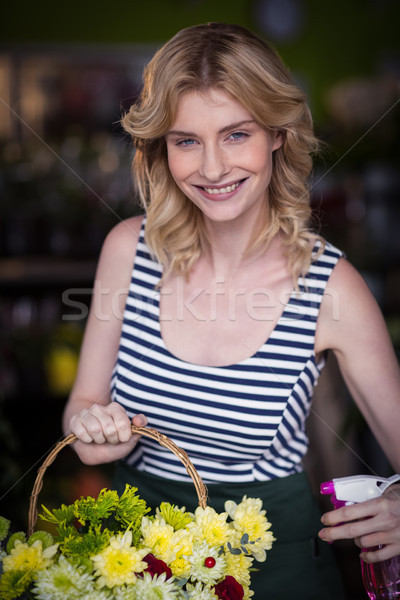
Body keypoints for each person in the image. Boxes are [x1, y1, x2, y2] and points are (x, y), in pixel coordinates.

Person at [62, 22, 400, 599]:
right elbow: (84, 423)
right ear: (161, 147)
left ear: (276, 134)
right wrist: (99, 431)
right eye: (186, 140)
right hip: (137, 566)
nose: (212, 168)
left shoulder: (331, 288)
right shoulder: (129, 250)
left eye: (236, 134)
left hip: (274, 570)